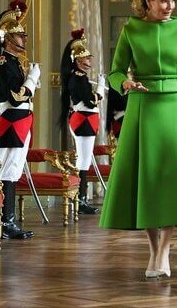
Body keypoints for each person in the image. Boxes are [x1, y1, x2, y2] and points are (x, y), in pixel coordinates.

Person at [99, 0, 177, 280]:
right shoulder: (131, 30)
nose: (170, 7)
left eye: (172, 1)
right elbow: (115, 72)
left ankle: (165, 250)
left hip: (176, 107)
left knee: (172, 179)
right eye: (163, 1)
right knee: (146, 178)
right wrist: (126, 85)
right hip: (143, 107)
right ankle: (153, 248)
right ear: (146, 1)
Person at [0, 0, 41, 240]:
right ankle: (6, 222)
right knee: (8, 172)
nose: (25, 40)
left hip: (19, 122)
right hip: (10, 121)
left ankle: (8, 221)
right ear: (8, 38)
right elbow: (17, 97)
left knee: (13, 170)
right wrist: (31, 80)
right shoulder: (3, 63)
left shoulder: (13, 62)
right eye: (20, 36)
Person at [59, 28, 104, 215]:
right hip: (84, 120)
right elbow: (91, 100)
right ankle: (80, 199)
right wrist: (101, 86)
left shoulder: (80, 78)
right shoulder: (77, 78)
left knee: (84, 160)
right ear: (77, 61)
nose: (89, 62)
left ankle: (81, 198)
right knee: (83, 161)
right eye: (86, 59)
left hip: (87, 120)